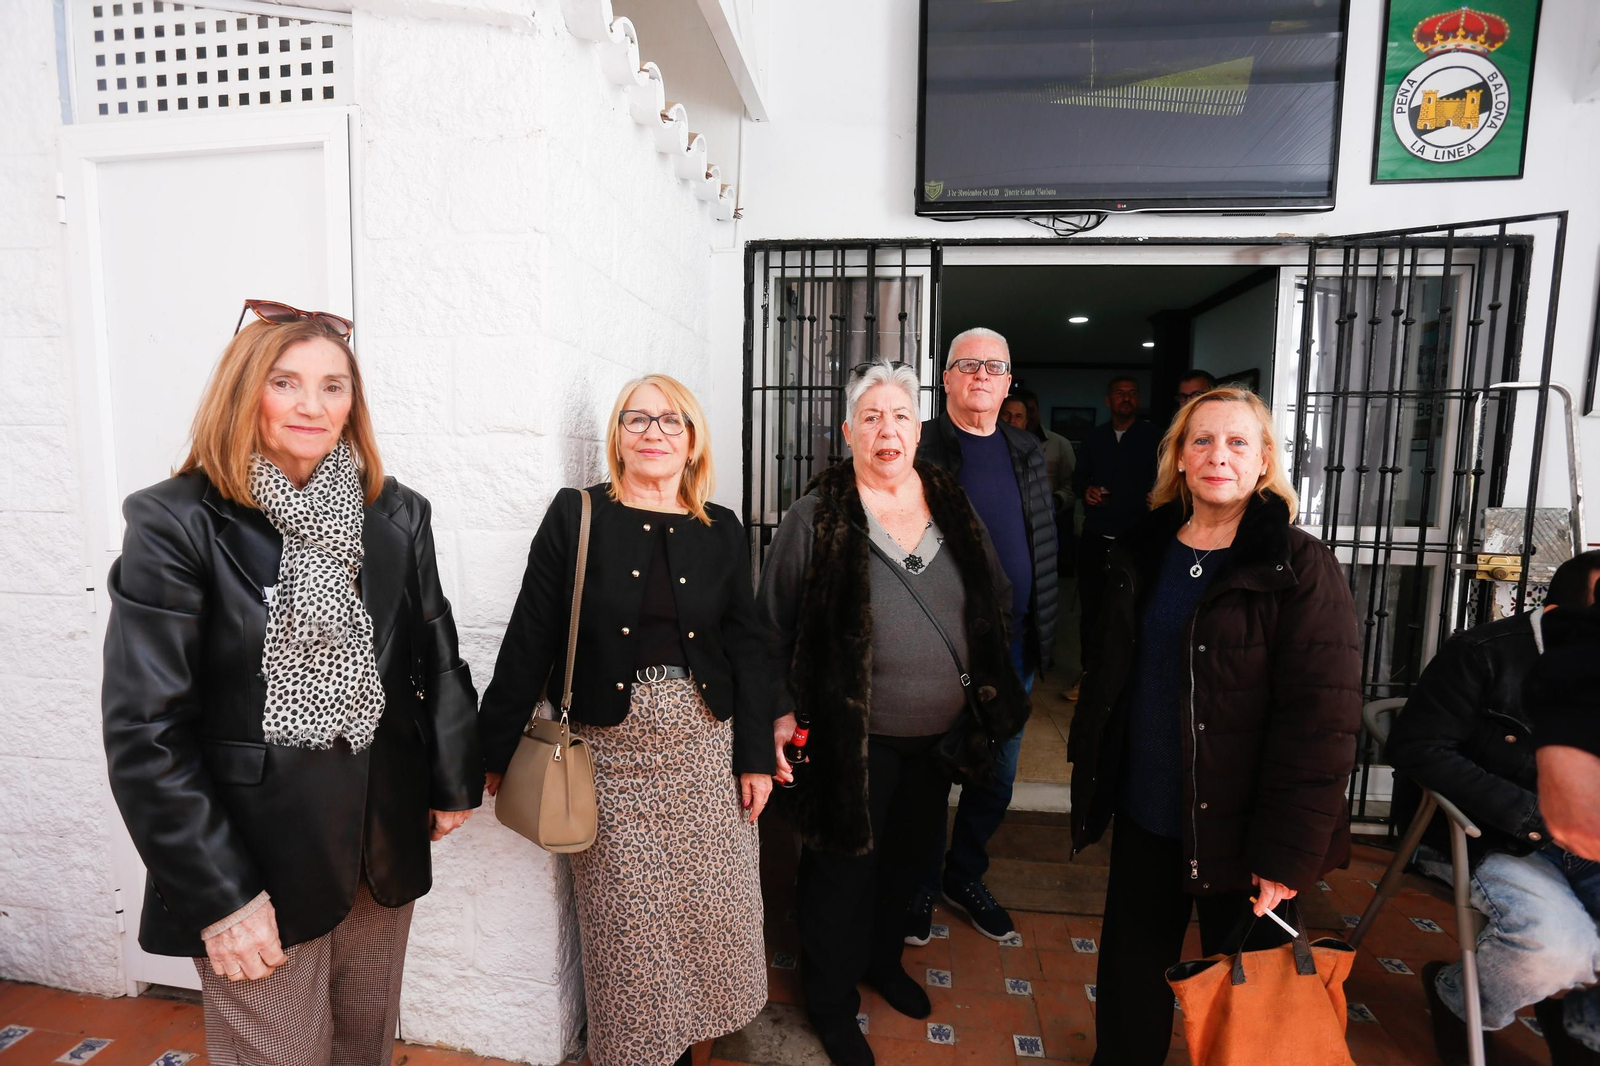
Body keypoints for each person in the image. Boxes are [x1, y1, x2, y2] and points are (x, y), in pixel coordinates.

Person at [102, 301, 482, 1066]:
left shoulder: (396, 512)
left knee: (361, 1045)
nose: (314, 405)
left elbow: (432, 650)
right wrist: (220, 896)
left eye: (334, 386)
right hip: (254, 853)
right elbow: (147, 731)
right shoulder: (177, 522)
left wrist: (450, 779)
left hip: (380, 837)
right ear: (246, 394)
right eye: (287, 383)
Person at [477, 375, 771, 1066]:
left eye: (671, 421)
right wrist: (489, 751)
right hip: (610, 758)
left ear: (693, 439)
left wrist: (755, 753)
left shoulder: (720, 527)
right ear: (616, 437)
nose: (653, 433)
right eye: (636, 419)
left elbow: (751, 647)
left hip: (704, 750)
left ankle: (688, 1043)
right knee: (629, 938)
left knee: (708, 921)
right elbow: (529, 637)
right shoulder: (578, 515)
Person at [1066, 386, 1361, 1066]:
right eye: (1200, 440)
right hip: (1148, 809)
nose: (1217, 455)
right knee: (1130, 975)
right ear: (1178, 457)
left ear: (1263, 462)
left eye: (1236, 442)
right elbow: (1115, 678)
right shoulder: (1141, 550)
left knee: (1252, 998)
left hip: (1246, 829)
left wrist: (1288, 853)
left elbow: (1323, 722)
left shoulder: (1297, 563)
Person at [760, 360, 1030, 1066]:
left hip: (938, 737)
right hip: (850, 738)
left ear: (919, 430)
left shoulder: (948, 499)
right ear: (848, 432)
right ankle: (830, 1000)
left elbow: (995, 593)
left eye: (901, 416)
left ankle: (883, 964)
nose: (888, 429)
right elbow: (771, 625)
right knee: (841, 871)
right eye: (872, 416)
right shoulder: (814, 516)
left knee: (909, 864)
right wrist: (780, 712)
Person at [1387, 551, 1600, 1066]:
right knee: (1552, 950)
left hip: (1586, 843)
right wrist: (1535, 816)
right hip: (1493, 836)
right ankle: (1457, 997)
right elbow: (1417, 749)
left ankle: (1582, 1026)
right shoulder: (1483, 653)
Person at [913, 328, 1058, 944]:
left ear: (1007, 382)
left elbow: (1042, 539)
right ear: (945, 378)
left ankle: (962, 873)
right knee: (922, 779)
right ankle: (916, 885)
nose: (980, 375)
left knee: (996, 777)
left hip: (1012, 651)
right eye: (966, 365)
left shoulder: (1028, 450)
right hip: (934, 649)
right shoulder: (918, 445)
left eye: (993, 367)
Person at [1068, 375, 1160, 700]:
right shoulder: (1094, 439)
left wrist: (1160, 497)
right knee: (1092, 611)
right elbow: (1078, 480)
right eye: (1120, 393)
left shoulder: (1154, 437)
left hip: (1137, 539)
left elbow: (1170, 480)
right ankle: (1089, 677)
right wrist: (1087, 491)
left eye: (1133, 393)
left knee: (1133, 611)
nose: (1127, 398)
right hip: (1096, 537)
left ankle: (1128, 682)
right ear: (1108, 400)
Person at [1006, 388, 1077, 573]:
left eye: (1026, 412)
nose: (1012, 420)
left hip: (1044, 522)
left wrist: (1055, 501)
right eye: (1007, 414)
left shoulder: (1059, 444)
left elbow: (1073, 484)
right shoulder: (991, 449)